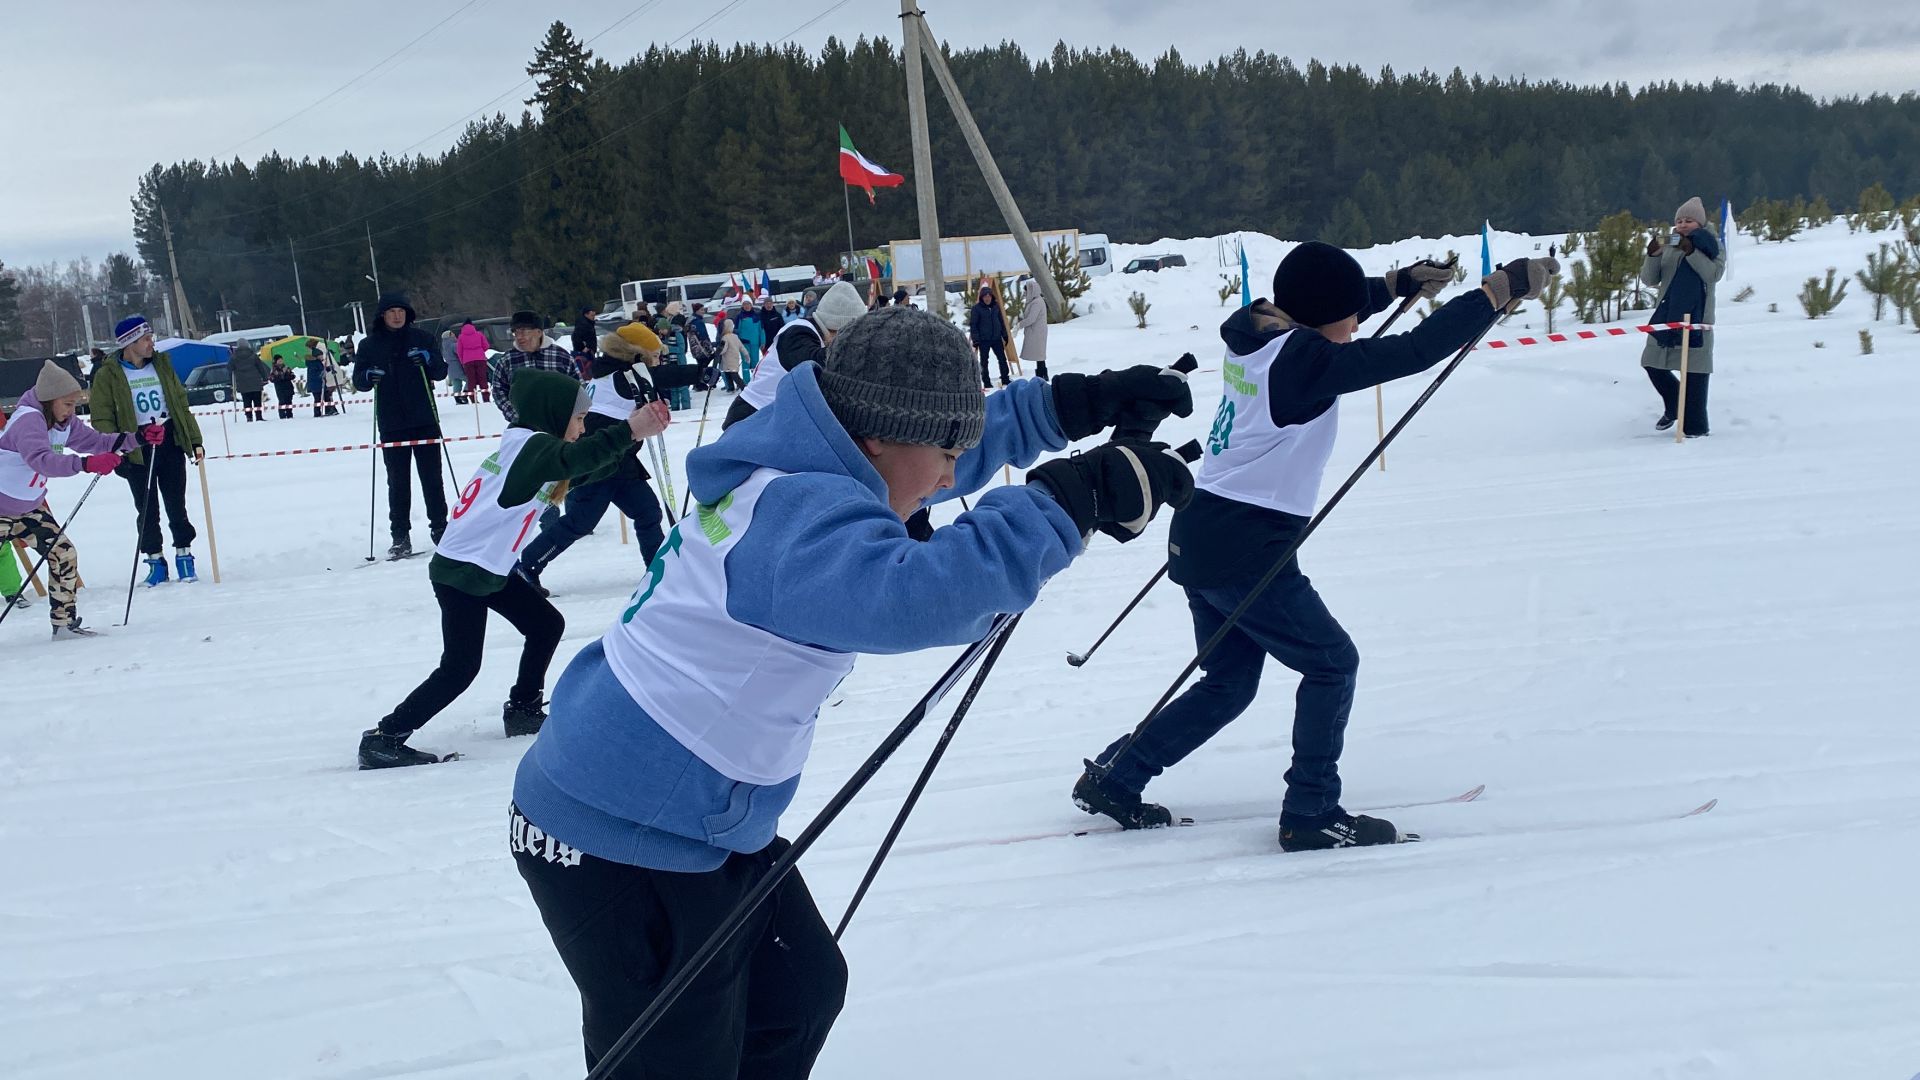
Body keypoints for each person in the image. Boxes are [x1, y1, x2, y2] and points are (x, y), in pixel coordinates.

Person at [508, 304, 1195, 1078]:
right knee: (678, 1059)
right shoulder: (794, 523)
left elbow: (931, 453)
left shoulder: (810, 455)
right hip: (617, 829)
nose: (948, 476)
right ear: (871, 437)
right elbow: (918, 597)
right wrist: (1064, 501)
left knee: (797, 996)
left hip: (688, 808)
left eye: (956, 452)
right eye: (943, 453)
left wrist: (1068, 406)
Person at [1074, 243, 1559, 850]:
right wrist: (1495, 293)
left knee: (1229, 683)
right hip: (1248, 545)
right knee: (1332, 664)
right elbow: (1411, 352)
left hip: (1203, 531)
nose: (1358, 325)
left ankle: (1118, 777)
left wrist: (1396, 282)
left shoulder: (1256, 330)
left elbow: (1323, 308)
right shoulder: (1302, 363)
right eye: (1351, 313)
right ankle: (1311, 812)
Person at [358, 370, 672, 769]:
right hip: (464, 573)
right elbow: (573, 459)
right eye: (578, 419)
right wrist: (629, 429)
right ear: (553, 414)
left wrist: (628, 444)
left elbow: (577, 471)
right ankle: (386, 737)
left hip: (487, 568)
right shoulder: (532, 448)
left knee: (545, 625)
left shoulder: (526, 445)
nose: (581, 427)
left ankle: (522, 709)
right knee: (460, 669)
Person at [517, 324, 705, 592]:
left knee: (648, 511)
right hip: (596, 463)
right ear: (637, 355)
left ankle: (658, 571)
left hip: (620, 461)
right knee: (579, 522)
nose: (658, 360)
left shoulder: (617, 372)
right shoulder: (620, 375)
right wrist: (697, 372)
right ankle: (527, 564)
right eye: (654, 354)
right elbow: (660, 376)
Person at [0, 362, 127, 638]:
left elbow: (97, 443)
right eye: (68, 404)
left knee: (63, 553)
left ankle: (63, 624)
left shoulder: (62, 421)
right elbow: (43, 462)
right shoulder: (27, 420)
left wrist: (136, 439)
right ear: (49, 400)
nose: (72, 411)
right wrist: (86, 465)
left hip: (28, 509)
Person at [88, 316, 205, 587]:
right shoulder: (108, 374)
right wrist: (115, 451)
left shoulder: (162, 365)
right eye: (145, 339)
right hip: (136, 447)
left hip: (169, 440)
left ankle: (184, 556)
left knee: (176, 502)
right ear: (130, 343)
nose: (151, 343)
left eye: (150, 338)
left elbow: (180, 403)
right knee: (146, 508)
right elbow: (103, 417)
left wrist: (194, 439)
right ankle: (155, 560)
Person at [353, 293, 449, 558]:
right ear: (382, 315)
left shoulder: (422, 339)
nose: (397, 316)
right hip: (392, 421)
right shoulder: (369, 345)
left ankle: (441, 528)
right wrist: (367, 376)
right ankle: (400, 535)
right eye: (391, 311)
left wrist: (429, 359)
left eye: (401, 311)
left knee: (432, 478)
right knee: (397, 482)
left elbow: (440, 372)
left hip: (424, 420)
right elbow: (358, 380)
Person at [722, 280, 866, 430]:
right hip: (752, 415)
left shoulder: (814, 335)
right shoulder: (798, 332)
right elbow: (817, 364)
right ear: (838, 328)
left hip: (774, 416)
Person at [1641, 196, 1724, 438]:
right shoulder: (1670, 242)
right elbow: (1649, 280)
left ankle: (1696, 429)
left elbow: (1713, 274)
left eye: (1689, 220)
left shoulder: (1711, 244)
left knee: (1695, 374)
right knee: (1652, 363)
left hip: (1697, 319)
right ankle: (1676, 404)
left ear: (1700, 222)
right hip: (1667, 316)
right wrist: (1653, 255)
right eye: (1679, 221)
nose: (1683, 225)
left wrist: (1692, 253)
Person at [489, 311, 579, 424]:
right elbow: (498, 391)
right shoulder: (507, 360)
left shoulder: (561, 357)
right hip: (524, 427)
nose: (519, 337)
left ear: (539, 332)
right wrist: (516, 416)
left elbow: (578, 388)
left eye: (523, 332)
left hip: (559, 424)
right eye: (515, 332)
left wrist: (567, 414)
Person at [970, 284, 1012, 388]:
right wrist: (976, 340)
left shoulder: (995, 306)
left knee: (1002, 359)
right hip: (984, 340)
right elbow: (973, 325)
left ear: (992, 297)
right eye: (985, 296)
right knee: (984, 362)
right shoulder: (976, 309)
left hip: (996, 338)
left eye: (989, 295)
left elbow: (1001, 321)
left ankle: (1005, 379)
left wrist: (1005, 335)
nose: (987, 298)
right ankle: (986, 382)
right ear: (982, 297)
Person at [1014, 277, 1050, 381]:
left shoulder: (1037, 302)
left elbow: (1031, 319)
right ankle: (1041, 374)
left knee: (1039, 354)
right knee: (1039, 355)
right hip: (1036, 331)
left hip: (1037, 332)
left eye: (1026, 290)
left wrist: (1019, 325)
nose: (1025, 293)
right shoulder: (1035, 301)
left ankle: (1042, 375)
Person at [229, 341, 271, 422]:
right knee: (257, 400)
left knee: (246, 401)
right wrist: (265, 378)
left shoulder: (234, 357)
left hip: (242, 383)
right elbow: (261, 367)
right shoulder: (253, 355)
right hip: (255, 382)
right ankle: (259, 417)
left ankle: (249, 417)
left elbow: (229, 369)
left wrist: (231, 381)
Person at [457, 320, 491, 402]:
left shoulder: (461, 337)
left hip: (467, 360)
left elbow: (459, 351)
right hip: (480, 359)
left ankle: (473, 399)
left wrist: (463, 361)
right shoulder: (479, 334)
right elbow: (486, 346)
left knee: (471, 380)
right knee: (483, 379)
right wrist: (479, 350)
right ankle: (486, 398)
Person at [736, 294, 767, 380]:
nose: (746, 306)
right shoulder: (739, 317)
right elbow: (736, 331)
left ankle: (755, 381)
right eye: (745, 304)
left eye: (748, 304)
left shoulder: (757, 316)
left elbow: (761, 330)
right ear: (742, 306)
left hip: (755, 343)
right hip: (744, 344)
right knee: (746, 363)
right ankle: (746, 382)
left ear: (751, 305)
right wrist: (738, 341)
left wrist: (763, 341)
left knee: (755, 363)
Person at [306, 339, 337, 417]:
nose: (322, 357)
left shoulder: (319, 362)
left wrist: (329, 368)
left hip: (321, 384)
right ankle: (317, 413)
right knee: (318, 400)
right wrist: (322, 373)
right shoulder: (312, 364)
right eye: (320, 356)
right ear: (317, 356)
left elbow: (322, 370)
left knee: (327, 397)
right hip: (316, 385)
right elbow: (316, 373)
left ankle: (329, 410)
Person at [716, 316, 745, 393]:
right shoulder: (735, 336)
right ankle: (739, 386)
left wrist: (718, 352)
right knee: (734, 373)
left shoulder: (724, 337)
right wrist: (746, 355)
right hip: (735, 358)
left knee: (730, 374)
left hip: (727, 359)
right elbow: (741, 346)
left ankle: (738, 387)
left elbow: (724, 349)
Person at [571, 306, 599, 373]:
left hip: (587, 351)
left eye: (594, 315)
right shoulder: (584, 324)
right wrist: (586, 348)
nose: (593, 317)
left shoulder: (588, 323)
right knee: (586, 369)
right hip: (585, 352)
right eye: (592, 315)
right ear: (586, 314)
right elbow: (576, 337)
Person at [443, 329, 467, 404]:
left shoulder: (444, 347)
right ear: (449, 336)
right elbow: (461, 352)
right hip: (457, 367)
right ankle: (465, 394)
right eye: (452, 334)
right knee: (470, 380)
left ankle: (457, 399)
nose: (454, 334)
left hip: (450, 368)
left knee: (457, 383)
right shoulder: (454, 345)